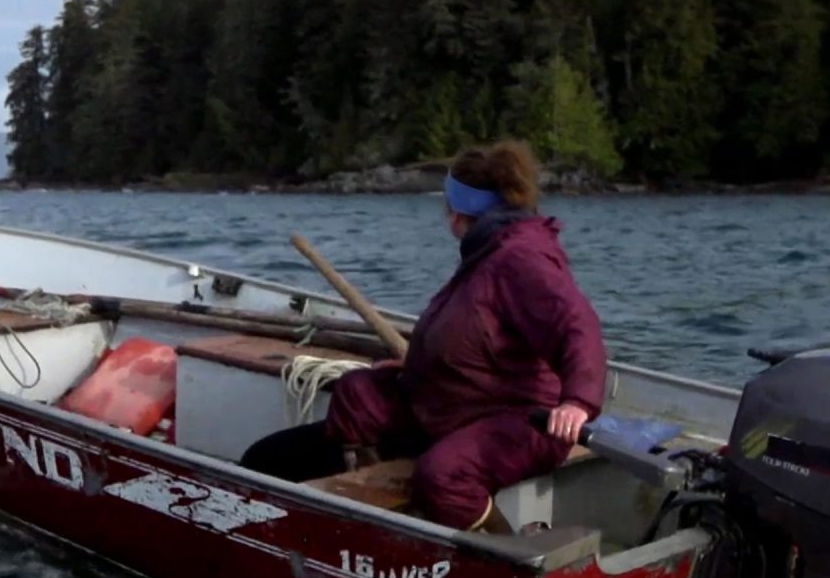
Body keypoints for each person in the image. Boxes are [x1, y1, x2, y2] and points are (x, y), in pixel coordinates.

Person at [241, 140, 608, 533]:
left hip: (524, 419)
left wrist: (577, 402)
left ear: (457, 213)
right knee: (358, 393)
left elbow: (577, 325)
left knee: (443, 475)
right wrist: (420, 366)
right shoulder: (488, 249)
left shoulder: (520, 258)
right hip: (460, 403)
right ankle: (366, 508)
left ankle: (505, 544)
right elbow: (481, 336)